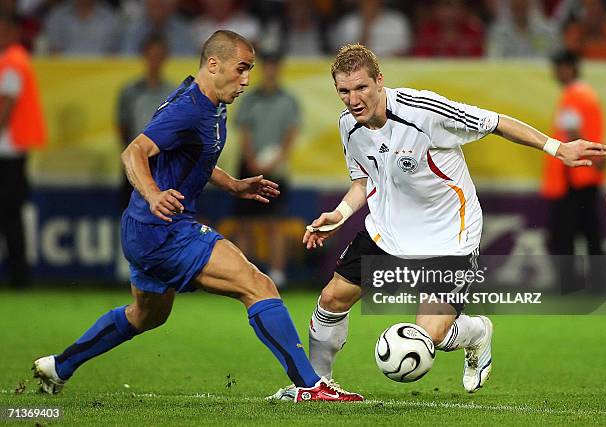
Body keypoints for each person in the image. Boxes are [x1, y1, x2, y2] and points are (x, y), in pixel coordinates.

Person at [32, 30, 362, 403]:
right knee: (258, 285)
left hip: (144, 230)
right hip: (165, 229)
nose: (247, 80)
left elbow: (196, 156)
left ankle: (59, 366)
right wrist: (154, 194)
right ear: (213, 64)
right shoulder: (188, 107)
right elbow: (133, 152)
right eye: (241, 69)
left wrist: (232, 184)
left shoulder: (211, 104)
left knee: (146, 315)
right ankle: (310, 386)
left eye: (250, 70)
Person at [268, 44, 606, 400]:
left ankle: (475, 332)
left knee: (432, 335)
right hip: (388, 233)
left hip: (449, 238)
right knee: (331, 300)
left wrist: (557, 148)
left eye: (362, 87)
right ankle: (315, 386)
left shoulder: (423, 112)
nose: (353, 99)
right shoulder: (348, 127)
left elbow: (497, 122)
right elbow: (364, 181)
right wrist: (338, 215)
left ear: (380, 81)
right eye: (344, 91)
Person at [233, 51, 300, 288]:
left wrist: (276, 161)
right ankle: (242, 273)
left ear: (278, 68)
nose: (271, 70)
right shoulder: (250, 99)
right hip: (248, 168)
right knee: (245, 223)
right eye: (267, 66)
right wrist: (251, 160)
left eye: (274, 66)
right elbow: (244, 131)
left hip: (276, 170)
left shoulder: (288, 100)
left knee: (275, 223)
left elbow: (291, 134)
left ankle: (277, 272)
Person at [542, 50, 606, 293]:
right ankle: (599, 283)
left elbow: (572, 134)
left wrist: (570, 172)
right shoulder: (587, 94)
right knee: (590, 232)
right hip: (587, 175)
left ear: (569, 68)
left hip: (575, 175)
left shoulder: (574, 96)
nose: (556, 73)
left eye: (559, 67)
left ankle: (568, 284)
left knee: (564, 234)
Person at [0, 13, 46, 289]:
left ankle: (19, 276)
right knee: (10, 215)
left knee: (10, 216)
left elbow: (5, 109)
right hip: (10, 152)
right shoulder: (11, 61)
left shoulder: (14, 62)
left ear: (16, 32)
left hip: (8, 152)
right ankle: (18, 275)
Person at [117, 33, 175, 208]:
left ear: (165, 58)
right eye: (151, 55)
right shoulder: (130, 92)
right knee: (131, 213)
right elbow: (122, 126)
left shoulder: (173, 93)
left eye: (159, 56)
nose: (155, 60)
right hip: (136, 161)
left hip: (164, 166)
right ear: (144, 56)